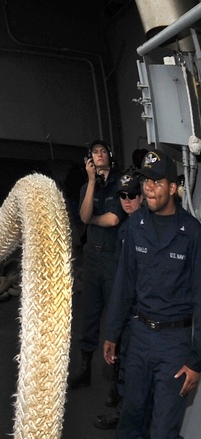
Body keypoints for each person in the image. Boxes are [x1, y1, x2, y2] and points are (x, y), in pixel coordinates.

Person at [86, 149, 201, 439]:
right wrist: (112, 333)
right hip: (138, 336)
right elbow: (124, 284)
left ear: (174, 187)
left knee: (165, 425)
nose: (149, 188)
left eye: (157, 182)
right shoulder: (134, 226)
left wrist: (196, 360)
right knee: (132, 411)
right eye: (146, 182)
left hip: (174, 343)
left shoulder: (192, 234)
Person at [69, 139, 124, 391]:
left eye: (103, 151)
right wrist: (91, 181)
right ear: (89, 159)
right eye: (95, 152)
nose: (99, 155)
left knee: (115, 315)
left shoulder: (119, 184)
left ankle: (116, 378)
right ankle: (85, 370)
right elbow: (83, 216)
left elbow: (113, 220)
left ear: (109, 156)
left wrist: (92, 219)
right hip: (92, 256)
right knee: (89, 314)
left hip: (113, 257)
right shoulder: (86, 186)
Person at [93, 169, 141, 430]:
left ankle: (129, 417)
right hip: (127, 307)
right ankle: (122, 411)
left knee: (134, 368)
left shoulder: (147, 228)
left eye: (132, 195)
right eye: (122, 196)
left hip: (143, 311)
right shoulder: (125, 230)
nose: (127, 201)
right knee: (122, 361)